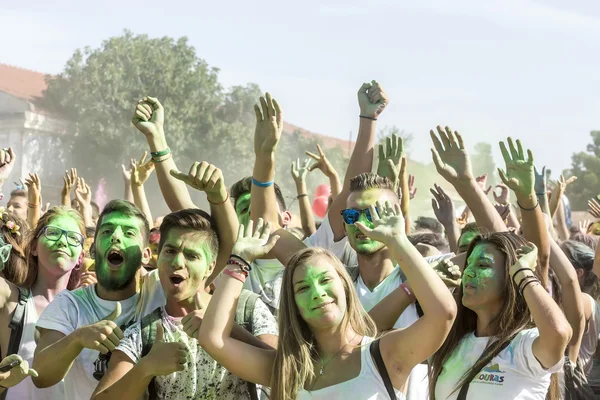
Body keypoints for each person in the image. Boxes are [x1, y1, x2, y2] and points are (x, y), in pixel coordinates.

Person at [199, 206, 456, 400]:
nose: (317, 292)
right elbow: (213, 340)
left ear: (346, 287)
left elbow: (442, 313)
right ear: (294, 305)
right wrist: (239, 262)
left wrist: (397, 241)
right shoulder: (288, 368)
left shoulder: (384, 354)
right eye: (303, 288)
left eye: (325, 280)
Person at [91, 208, 278, 399]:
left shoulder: (245, 307)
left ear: (210, 267)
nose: (177, 262)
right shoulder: (145, 332)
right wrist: (146, 367)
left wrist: (225, 329)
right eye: (170, 251)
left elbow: (287, 372)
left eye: (191, 255)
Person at [32, 200, 165, 400]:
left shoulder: (158, 290)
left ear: (146, 254)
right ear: (94, 249)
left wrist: (218, 199)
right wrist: (78, 338)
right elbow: (41, 377)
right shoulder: (70, 304)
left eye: (129, 233)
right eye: (106, 231)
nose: (115, 237)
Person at [429, 232, 572, 399]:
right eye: (468, 264)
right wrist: (432, 283)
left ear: (510, 276)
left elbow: (559, 333)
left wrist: (524, 273)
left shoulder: (525, 346)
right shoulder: (451, 342)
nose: (468, 272)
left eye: (482, 265)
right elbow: (391, 339)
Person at [0, 206, 87, 400]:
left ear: (80, 257)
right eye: (53, 233)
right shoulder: (11, 299)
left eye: (73, 238)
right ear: (33, 247)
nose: (63, 241)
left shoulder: (89, 310)